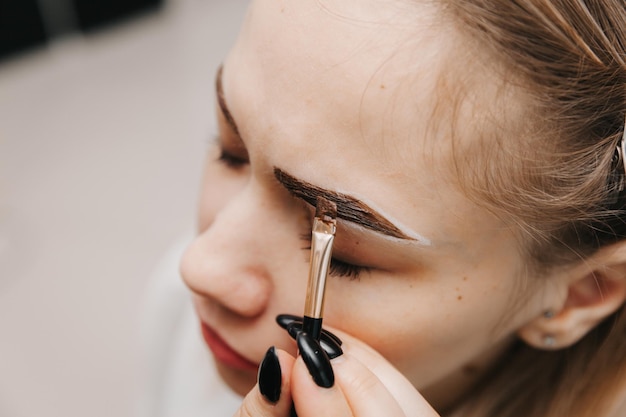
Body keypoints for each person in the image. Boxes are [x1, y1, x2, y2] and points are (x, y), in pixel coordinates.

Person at [145, 1, 626, 416]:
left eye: (343, 258)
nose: (199, 264)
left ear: (581, 293)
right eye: (231, 150)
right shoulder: (184, 320)